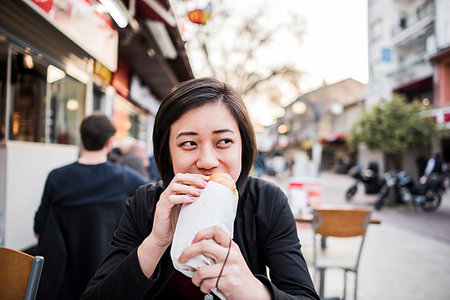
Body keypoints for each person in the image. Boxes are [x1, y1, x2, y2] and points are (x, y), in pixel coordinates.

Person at [82, 78, 319, 300]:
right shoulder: (146, 203)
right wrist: (155, 242)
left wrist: (253, 289)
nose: (207, 161)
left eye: (223, 142)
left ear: (243, 148)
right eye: (189, 143)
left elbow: (303, 294)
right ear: (167, 153)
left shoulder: (266, 201)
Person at [34, 113, 148, 300]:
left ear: (81, 138)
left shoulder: (57, 177)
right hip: (106, 277)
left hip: (61, 281)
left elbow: (39, 229)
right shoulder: (126, 178)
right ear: (110, 142)